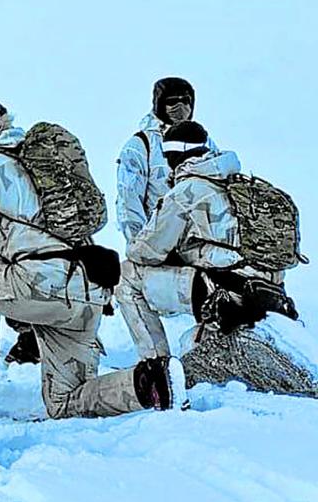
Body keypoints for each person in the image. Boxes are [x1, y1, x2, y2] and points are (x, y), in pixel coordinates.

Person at [0, 102, 182, 416]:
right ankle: (150, 384)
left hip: (36, 286)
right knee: (66, 402)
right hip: (84, 292)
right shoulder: (48, 161)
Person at [115, 121, 299, 364]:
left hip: (227, 290)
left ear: (173, 156)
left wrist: (148, 248)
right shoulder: (236, 183)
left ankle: (156, 368)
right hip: (265, 290)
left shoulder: (187, 190)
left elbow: (146, 252)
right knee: (191, 345)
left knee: (126, 276)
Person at [116, 78, 213, 246]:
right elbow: (129, 199)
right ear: (160, 104)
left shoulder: (205, 142)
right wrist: (142, 244)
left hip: (201, 245)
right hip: (159, 243)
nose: (180, 107)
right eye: (172, 102)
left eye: (186, 100)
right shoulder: (141, 145)